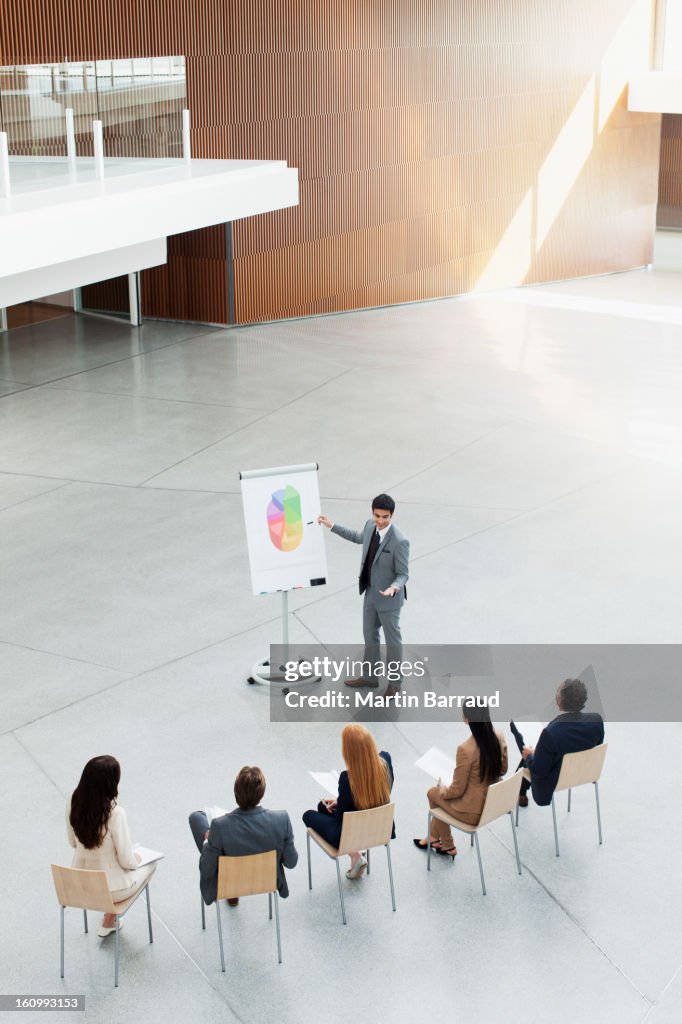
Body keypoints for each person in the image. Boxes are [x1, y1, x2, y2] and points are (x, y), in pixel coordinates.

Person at [318, 493, 409, 696]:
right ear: (372, 513)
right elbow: (357, 537)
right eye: (377, 515)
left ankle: (395, 683)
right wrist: (332, 526)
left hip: (389, 600)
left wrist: (394, 587)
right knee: (370, 637)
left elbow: (403, 574)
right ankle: (370, 677)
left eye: (385, 517)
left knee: (393, 642)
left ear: (392, 515)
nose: (380, 521)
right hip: (370, 593)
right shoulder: (370, 526)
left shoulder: (400, 541)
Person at [67, 755, 156, 937]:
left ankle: (109, 921)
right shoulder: (115, 814)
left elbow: (72, 842)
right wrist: (135, 859)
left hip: (81, 885)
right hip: (111, 892)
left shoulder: (72, 801)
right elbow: (126, 861)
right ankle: (110, 918)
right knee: (151, 863)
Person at [189, 765, 298, 907]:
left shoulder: (219, 826)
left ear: (236, 792)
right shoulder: (281, 820)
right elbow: (291, 862)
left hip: (227, 882)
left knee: (196, 817)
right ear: (262, 793)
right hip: (266, 880)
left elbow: (206, 869)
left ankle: (232, 892)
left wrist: (206, 841)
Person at [302, 723, 394, 879]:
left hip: (350, 836)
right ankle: (357, 854)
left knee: (308, 815)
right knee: (323, 806)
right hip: (381, 828)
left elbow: (340, 818)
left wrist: (343, 800)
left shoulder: (347, 778)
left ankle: (355, 853)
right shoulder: (386, 759)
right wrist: (341, 800)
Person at [414, 709, 508, 857]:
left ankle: (447, 844)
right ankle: (434, 838)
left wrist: (442, 788)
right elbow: (503, 770)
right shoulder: (499, 735)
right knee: (440, 794)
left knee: (433, 793)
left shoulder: (465, 749)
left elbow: (456, 791)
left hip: (473, 812)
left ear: (466, 719)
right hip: (492, 804)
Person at [517, 678, 605, 807]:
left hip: (553, 780)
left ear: (559, 701)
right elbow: (596, 747)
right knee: (537, 750)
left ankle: (520, 792)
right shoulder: (596, 720)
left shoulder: (550, 733)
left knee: (526, 746)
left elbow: (539, 771)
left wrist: (530, 756)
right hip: (583, 772)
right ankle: (521, 791)